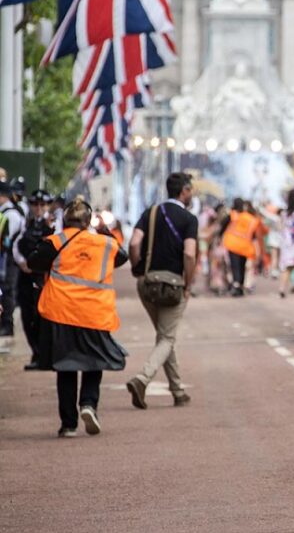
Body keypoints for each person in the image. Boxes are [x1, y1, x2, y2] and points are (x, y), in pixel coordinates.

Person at [27, 197, 129, 437]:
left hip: (61, 312)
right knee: (95, 360)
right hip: (95, 312)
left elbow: (33, 262)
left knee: (66, 366)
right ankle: (89, 404)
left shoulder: (54, 241)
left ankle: (68, 424)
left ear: (65, 219)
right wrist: (101, 233)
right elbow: (121, 257)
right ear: (87, 221)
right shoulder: (105, 243)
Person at [126, 173, 199, 410]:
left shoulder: (151, 212)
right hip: (173, 285)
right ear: (184, 191)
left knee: (164, 336)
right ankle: (142, 378)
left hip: (147, 282)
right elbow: (189, 254)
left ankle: (177, 390)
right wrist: (188, 282)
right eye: (191, 190)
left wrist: (138, 268)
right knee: (167, 337)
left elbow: (135, 243)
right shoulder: (189, 219)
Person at [13, 190, 55, 370]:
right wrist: (23, 263)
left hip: (43, 276)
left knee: (42, 316)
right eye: (35, 205)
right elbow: (16, 245)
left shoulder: (54, 223)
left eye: (42, 205)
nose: (38, 208)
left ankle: (45, 355)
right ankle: (36, 353)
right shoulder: (26, 222)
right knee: (26, 315)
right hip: (26, 274)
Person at [0, 180, 26, 337]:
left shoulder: (11, 214)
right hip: (5, 258)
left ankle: (7, 325)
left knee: (8, 290)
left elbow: (9, 239)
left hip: (10, 259)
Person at [221, 198, 261, 296]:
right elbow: (253, 235)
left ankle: (236, 285)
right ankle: (240, 286)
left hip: (232, 244)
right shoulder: (250, 219)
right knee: (242, 266)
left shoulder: (232, 215)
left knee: (235, 266)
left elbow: (222, 227)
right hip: (245, 247)